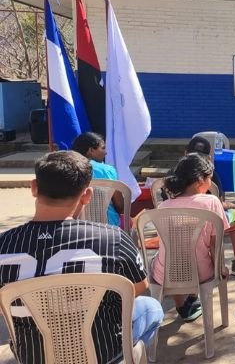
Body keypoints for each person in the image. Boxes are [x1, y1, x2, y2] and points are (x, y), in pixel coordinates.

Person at [0, 151, 163, 364]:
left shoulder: (4, 245)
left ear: (33, 188)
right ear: (87, 195)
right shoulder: (114, 239)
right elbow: (139, 285)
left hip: (33, 355)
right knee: (151, 307)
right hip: (103, 351)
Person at [152, 154, 235, 322]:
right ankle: (191, 299)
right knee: (197, 255)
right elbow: (215, 245)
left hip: (166, 274)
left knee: (163, 258)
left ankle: (182, 306)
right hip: (201, 272)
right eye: (209, 179)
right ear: (201, 180)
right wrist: (221, 268)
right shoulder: (211, 202)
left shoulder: (163, 206)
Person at [158, 137, 235, 276]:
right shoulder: (208, 176)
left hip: (173, 227)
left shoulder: (169, 178)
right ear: (209, 158)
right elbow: (219, 203)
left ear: (186, 152)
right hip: (204, 226)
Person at [71, 132, 124, 227]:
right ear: (91, 150)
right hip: (109, 228)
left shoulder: (67, 169)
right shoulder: (107, 170)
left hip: (76, 227)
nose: (106, 152)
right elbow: (120, 207)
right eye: (103, 148)